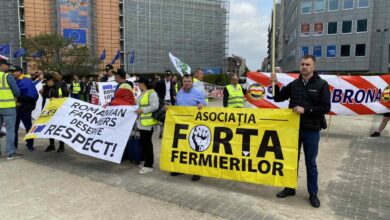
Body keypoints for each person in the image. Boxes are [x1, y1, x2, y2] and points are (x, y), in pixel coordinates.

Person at [271, 55, 331, 208]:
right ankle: (290, 188)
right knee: (291, 161)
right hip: (294, 130)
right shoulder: (294, 84)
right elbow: (278, 98)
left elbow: (325, 107)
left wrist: (306, 110)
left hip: (311, 130)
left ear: (313, 67)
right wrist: (275, 84)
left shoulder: (322, 84)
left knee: (310, 163)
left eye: (308, 64)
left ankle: (313, 193)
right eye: (303, 64)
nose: (304, 67)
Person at [170, 74, 207, 181]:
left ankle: (197, 171)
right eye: (185, 81)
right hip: (181, 125)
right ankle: (180, 169)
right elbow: (177, 107)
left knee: (195, 148)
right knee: (181, 148)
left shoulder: (198, 92)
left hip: (194, 125)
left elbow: (204, 104)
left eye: (189, 81)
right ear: (182, 82)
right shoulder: (180, 93)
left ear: (192, 82)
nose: (186, 83)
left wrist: (201, 105)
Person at [10, 65, 38, 152]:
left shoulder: (26, 81)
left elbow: (32, 96)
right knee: (14, 127)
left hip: (24, 109)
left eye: (14, 71)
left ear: (19, 72)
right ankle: (14, 145)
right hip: (15, 108)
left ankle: (30, 144)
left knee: (28, 127)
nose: (12, 73)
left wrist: (19, 100)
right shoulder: (15, 81)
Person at [40, 72, 69, 153]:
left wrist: (56, 99)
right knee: (49, 128)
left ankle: (61, 145)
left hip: (60, 111)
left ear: (52, 80)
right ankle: (52, 145)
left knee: (59, 128)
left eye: (47, 82)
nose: (46, 84)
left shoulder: (61, 85)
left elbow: (66, 97)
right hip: (49, 111)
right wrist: (42, 93)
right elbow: (45, 96)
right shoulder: (46, 87)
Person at [135, 77, 159, 174]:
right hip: (142, 123)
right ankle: (146, 161)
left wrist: (142, 111)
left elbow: (155, 106)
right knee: (144, 143)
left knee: (147, 144)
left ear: (143, 83)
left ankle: (149, 165)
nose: (138, 85)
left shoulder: (151, 93)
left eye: (139, 83)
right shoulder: (143, 93)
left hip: (148, 123)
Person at [0, 59, 23, 159]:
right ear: (1, 65)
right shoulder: (7, 76)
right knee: (10, 130)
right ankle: (10, 153)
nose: (8, 67)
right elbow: (17, 92)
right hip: (8, 107)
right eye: (6, 65)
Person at [154, 70, 174, 138]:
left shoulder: (172, 83)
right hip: (162, 101)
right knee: (162, 117)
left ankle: (164, 133)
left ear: (171, 76)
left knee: (168, 118)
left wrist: (173, 101)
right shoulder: (160, 82)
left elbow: (172, 93)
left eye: (169, 76)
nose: (167, 77)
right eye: (166, 76)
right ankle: (161, 132)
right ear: (165, 76)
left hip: (169, 102)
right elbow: (155, 90)